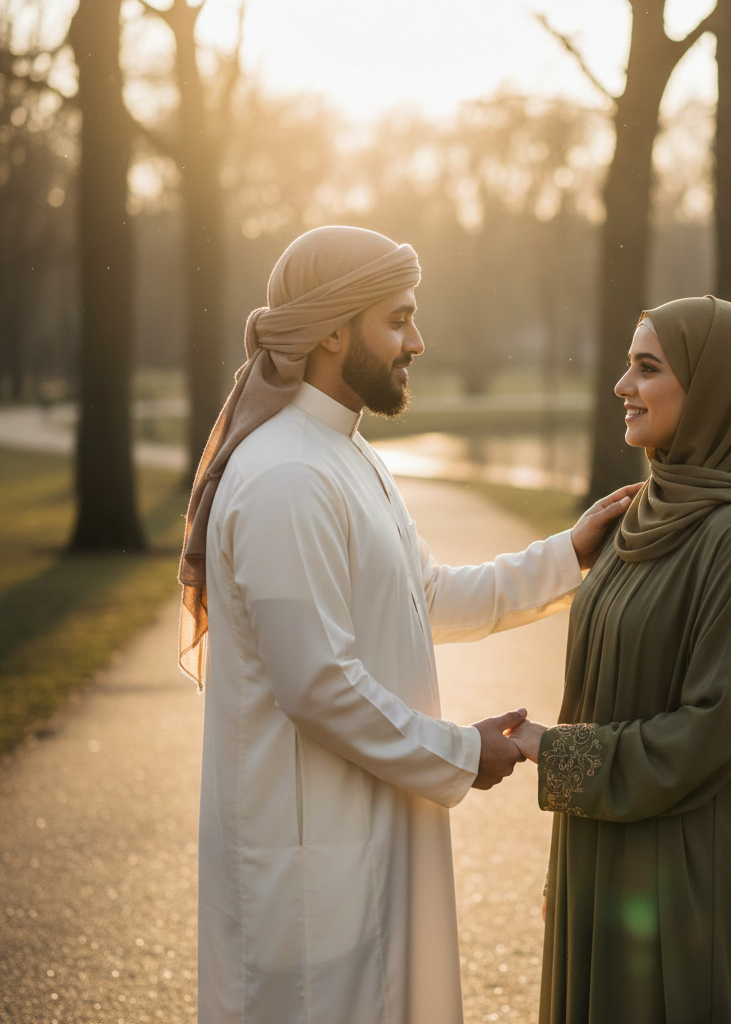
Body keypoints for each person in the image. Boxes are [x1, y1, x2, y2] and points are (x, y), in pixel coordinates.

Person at [176, 225, 638, 1024]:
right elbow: (316, 685)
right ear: (329, 329)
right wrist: (465, 750)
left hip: (368, 837)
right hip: (308, 864)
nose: (417, 341)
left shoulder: (348, 456)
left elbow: (424, 599)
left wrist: (571, 553)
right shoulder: (287, 475)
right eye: (397, 319)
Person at [511, 296, 731, 1024]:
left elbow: (712, 731)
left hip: (695, 881)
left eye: (647, 368)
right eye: (628, 365)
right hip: (613, 854)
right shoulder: (643, 514)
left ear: (717, 393)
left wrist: (555, 751)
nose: (621, 387)